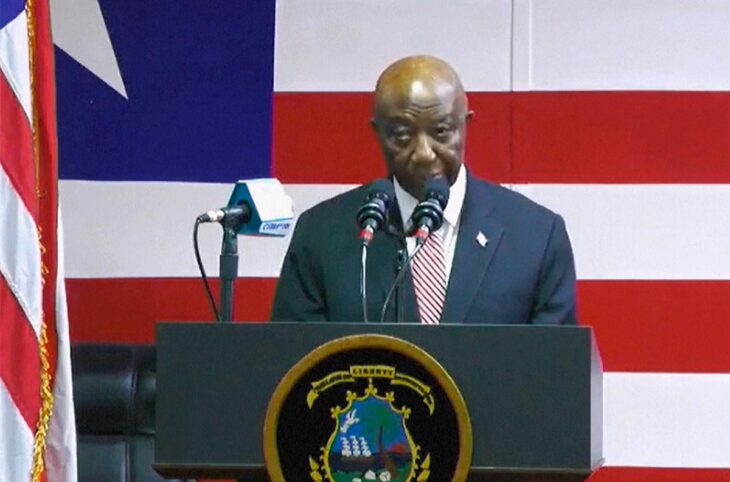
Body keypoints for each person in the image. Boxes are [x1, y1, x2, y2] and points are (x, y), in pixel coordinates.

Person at [271, 55, 577, 325]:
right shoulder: (322, 234)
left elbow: (555, 373)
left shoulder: (536, 236)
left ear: (465, 125)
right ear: (377, 133)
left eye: (441, 132)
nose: (424, 153)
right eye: (402, 135)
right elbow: (291, 366)